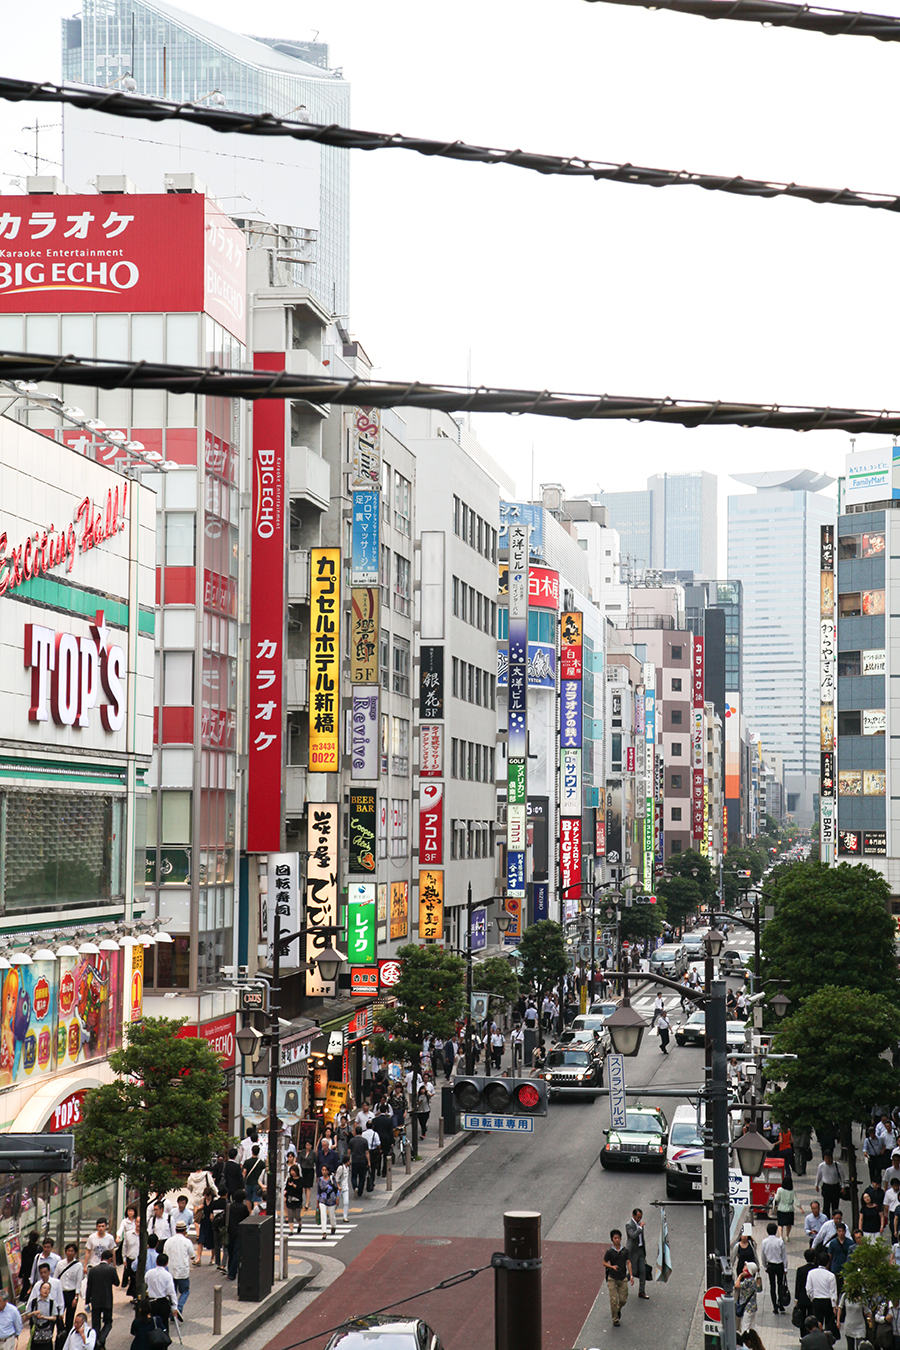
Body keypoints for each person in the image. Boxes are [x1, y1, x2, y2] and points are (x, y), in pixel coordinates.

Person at [84, 1251, 118, 1349]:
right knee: (108, 1322)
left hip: (95, 1300)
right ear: (110, 1259)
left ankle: (96, 1343)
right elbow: (117, 1282)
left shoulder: (93, 1270)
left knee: (96, 1324)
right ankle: (101, 1340)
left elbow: (89, 1286)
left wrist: (87, 1301)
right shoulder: (111, 1270)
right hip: (107, 1300)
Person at [603, 1229, 633, 1328]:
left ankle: (618, 1309)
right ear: (612, 1239)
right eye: (615, 1238)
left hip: (623, 1278)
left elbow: (628, 1262)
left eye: (618, 1238)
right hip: (612, 1278)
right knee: (613, 1300)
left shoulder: (625, 1251)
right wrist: (612, 1267)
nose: (617, 1240)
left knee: (623, 1299)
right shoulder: (610, 1252)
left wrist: (631, 1276)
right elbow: (604, 1262)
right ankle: (615, 1319)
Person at [806, 1250, 839, 1338]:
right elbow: (833, 1292)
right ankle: (827, 1341)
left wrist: (812, 1298)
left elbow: (808, 1289)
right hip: (827, 1301)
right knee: (828, 1325)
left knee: (816, 1323)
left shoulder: (811, 1273)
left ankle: (817, 1340)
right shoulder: (831, 1276)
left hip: (817, 1301)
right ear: (828, 1262)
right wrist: (834, 1306)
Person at [56, 1244, 82, 1349]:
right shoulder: (60, 1264)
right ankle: (60, 1336)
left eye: (72, 1251)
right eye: (68, 1251)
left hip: (71, 1293)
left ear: (75, 1253)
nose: (70, 1253)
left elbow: (78, 1282)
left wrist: (76, 1297)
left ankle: (68, 1339)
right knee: (59, 1316)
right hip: (61, 1293)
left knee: (70, 1318)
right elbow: (56, 1279)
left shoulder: (78, 1265)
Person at [164, 1221, 194, 1315]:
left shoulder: (168, 1241)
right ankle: (179, 1307)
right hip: (183, 1271)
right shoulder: (187, 1242)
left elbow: (164, 1254)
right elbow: (192, 1256)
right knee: (185, 1291)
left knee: (172, 1293)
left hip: (171, 1270)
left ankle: (172, 1310)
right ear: (185, 1230)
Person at [761, 1222, 789, 1314]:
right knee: (780, 1285)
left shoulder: (764, 1242)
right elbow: (784, 1255)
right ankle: (781, 1304)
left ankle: (774, 1306)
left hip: (770, 1266)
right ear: (776, 1231)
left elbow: (763, 1255)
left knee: (772, 1285)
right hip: (779, 1265)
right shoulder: (780, 1241)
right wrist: (785, 1268)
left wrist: (765, 1265)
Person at [145, 1254, 177, 1331]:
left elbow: (145, 1284)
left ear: (156, 1262)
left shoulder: (149, 1273)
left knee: (151, 1323)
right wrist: (174, 1307)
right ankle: (164, 1338)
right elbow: (171, 1292)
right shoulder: (167, 1275)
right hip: (162, 1302)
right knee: (164, 1324)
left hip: (151, 1301)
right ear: (167, 1263)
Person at [625, 1209, 651, 1299]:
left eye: (641, 1217)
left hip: (640, 1250)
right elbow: (633, 1236)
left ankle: (641, 1291)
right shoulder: (629, 1225)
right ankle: (622, 1282)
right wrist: (640, 1228)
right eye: (638, 1217)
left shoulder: (640, 1224)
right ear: (633, 1215)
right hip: (633, 1251)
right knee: (634, 1271)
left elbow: (641, 1238)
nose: (639, 1219)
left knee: (642, 1271)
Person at [226, 1191, 251, 1282]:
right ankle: (232, 1273)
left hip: (229, 1231)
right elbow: (246, 1218)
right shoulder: (243, 1208)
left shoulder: (229, 1206)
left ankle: (230, 1271)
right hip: (239, 1232)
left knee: (230, 1252)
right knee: (236, 1253)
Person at [26, 1283, 59, 1350]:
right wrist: (33, 1313)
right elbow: (26, 1316)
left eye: (48, 1289)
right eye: (44, 1288)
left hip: (46, 1330)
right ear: (40, 1289)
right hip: (36, 1331)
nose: (46, 1290)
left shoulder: (52, 1303)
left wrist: (45, 1317)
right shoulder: (34, 1302)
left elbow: (54, 1317)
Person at [827, 1223, 856, 1294]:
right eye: (839, 1231)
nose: (841, 1233)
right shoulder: (833, 1243)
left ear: (845, 1231)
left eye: (842, 1231)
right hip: (836, 1268)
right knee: (836, 1288)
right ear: (836, 1231)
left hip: (846, 1269)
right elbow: (829, 1256)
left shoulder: (850, 1243)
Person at [117, 1209, 139, 1297]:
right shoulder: (125, 1222)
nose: (130, 1213)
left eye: (132, 1211)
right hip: (129, 1247)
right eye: (129, 1211)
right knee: (129, 1272)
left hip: (138, 1256)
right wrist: (118, 1236)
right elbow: (120, 1229)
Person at [794, 1249, 818, 1330]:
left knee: (802, 1316)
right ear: (814, 1258)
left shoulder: (801, 1270)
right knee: (812, 1315)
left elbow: (798, 1284)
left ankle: (802, 1333)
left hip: (802, 1296)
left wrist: (796, 1298)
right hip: (813, 1297)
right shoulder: (816, 1269)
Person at [774, 1173, 800, 1243]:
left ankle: (780, 1236)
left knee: (780, 1224)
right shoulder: (792, 1192)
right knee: (789, 1224)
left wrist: (775, 1195)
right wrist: (800, 1207)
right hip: (790, 1209)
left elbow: (777, 1199)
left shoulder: (779, 1190)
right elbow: (796, 1201)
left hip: (781, 1208)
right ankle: (787, 1236)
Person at [816, 1152, 844, 1218]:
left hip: (835, 1187)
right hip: (826, 1187)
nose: (827, 1160)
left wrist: (843, 1187)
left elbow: (842, 1177)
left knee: (835, 1205)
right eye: (826, 1158)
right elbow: (819, 1176)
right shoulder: (821, 1166)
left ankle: (835, 1218)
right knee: (826, 1205)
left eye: (829, 1158)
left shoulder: (837, 1165)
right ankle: (826, 1219)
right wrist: (816, 1184)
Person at [734, 1262, 759, 1336]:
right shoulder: (751, 1280)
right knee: (753, 1325)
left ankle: (744, 1343)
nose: (743, 1269)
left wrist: (740, 1276)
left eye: (745, 1267)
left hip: (748, 1308)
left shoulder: (748, 1281)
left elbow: (737, 1285)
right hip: (753, 1307)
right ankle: (757, 1340)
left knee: (745, 1325)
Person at [195, 1189, 217, 1267]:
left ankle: (212, 1258)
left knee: (212, 1241)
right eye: (205, 1195)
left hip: (211, 1223)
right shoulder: (203, 1200)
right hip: (204, 1222)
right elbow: (197, 1209)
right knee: (200, 1240)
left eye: (208, 1196)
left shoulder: (214, 1201)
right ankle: (198, 1258)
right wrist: (200, 1208)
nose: (206, 1197)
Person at [348, 1126, 370, 1199]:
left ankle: (355, 1187)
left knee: (353, 1176)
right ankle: (360, 1191)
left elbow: (349, 1151)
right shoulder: (364, 1141)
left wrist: (349, 1160)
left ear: (355, 1132)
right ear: (361, 1132)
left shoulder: (352, 1140)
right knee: (362, 1177)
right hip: (362, 1161)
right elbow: (367, 1152)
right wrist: (369, 1162)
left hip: (354, 1160)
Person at [317, 1167, 338, 1239]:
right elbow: (318, 1190)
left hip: (331, 1199)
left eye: (325, 1170)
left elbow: (336, 1188)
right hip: (322, 1199)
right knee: (323, 1215)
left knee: (331, 1216)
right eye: (322, 1170)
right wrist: (317, 1200)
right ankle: (324, 1232)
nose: (324, 1171)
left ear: (328, 1171)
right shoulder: (320, 1179)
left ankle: (333, 1226)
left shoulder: (332, 1178)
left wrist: (337, 1197)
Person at [285, 1166, 304, 1233]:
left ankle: (300, 1223)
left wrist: (294, 1186)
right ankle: (291, 1230)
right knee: (290, 1216)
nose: (292, 1172)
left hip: (297, 1200)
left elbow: (300, 1189)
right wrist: (285, 1192)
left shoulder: (300, 1179)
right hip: (290, 1199)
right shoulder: (289, 1179)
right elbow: (286, 1188)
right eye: (291, 1171)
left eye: (293, 1171)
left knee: (297, 1216)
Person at [299, 1140, 317, 1210]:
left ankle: (307, 1202)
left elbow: (315, 1162)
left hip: (310, 1170)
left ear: (311, 1146)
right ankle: (301, 1201)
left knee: (308, 1186)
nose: (307, 1146)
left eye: (309, 1145)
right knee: (302, 1187)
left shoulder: (313, 1153)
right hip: (302, 1169)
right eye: (306, 1145)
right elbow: (299, 1161)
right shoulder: (302, 1152)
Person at [334, 1155, 351, 1225]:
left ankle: (345, 1216)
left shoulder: (348, 1168)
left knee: (346, 1202)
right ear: (347, 1161)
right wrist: (338, 1186)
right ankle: (332, 1213)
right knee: (336, 1203)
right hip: (339, 1188)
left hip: (345, 1187)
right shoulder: (341, 1168)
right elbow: (336, 1178)